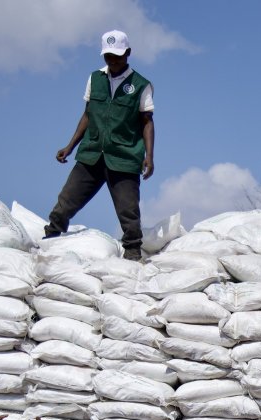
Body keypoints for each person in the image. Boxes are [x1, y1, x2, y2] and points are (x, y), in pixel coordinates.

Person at [44, 29, 155, 261]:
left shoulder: (141, 85)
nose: (113, 61)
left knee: (129, 214)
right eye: (108, 57)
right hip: (92, 154)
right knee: (64, 205)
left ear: (128, 53)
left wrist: (149, 156)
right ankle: (48, 245)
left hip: (124, 158)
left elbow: (147, 122)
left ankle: (133, 256)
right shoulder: (95, 78)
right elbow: (87, 115)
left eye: (117, 56)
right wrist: (70, 146)